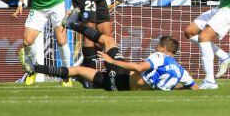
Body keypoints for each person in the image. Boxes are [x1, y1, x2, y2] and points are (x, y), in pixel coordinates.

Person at [28, 22, 198, 91]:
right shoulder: (180, 71)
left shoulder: (160, 56)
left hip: (121, 74)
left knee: (108, 40)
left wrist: (112, 61)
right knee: (79, 70)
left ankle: (72, 24)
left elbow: (139, 68)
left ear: (162, 48)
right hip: (118, 88)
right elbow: (194, 88)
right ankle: (35, 68)